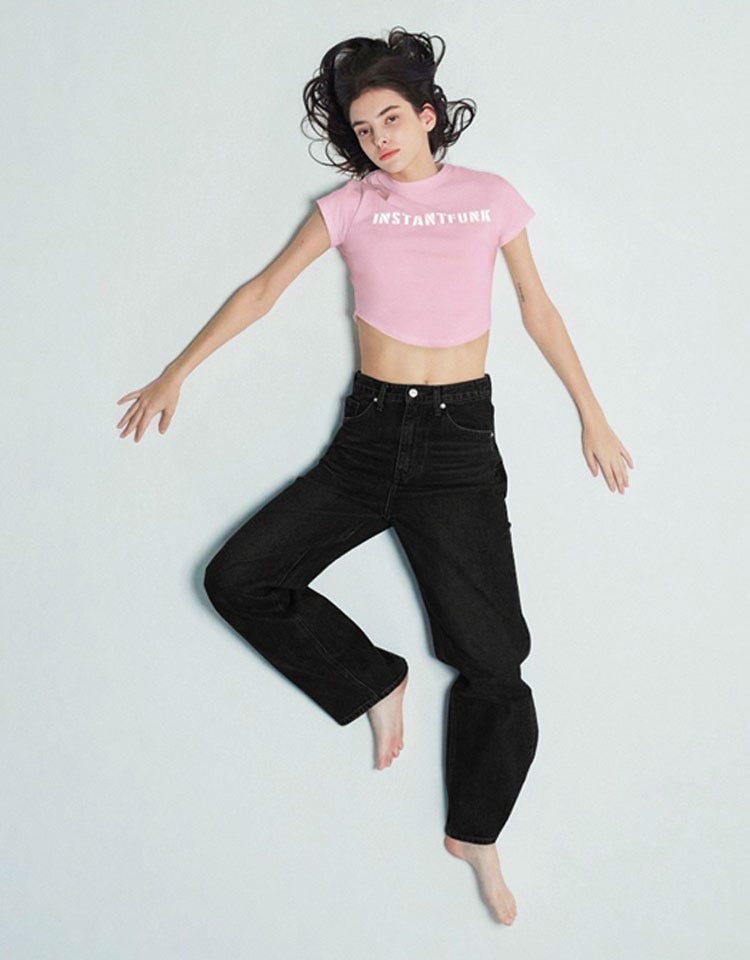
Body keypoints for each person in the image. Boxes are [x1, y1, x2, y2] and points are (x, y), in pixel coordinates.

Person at [115, 27, 633, 926]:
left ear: (427, 116)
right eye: (362, 129)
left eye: (391, 118)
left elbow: (538, 309)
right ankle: (372, 682)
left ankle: (478, 833)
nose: (379, 139)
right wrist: (176, 372)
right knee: (239, 578)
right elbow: (263, 289)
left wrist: (592, 412)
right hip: (369, 438)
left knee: (496, 663)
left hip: (458, 447)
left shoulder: (489, 198)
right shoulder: (350, 205)